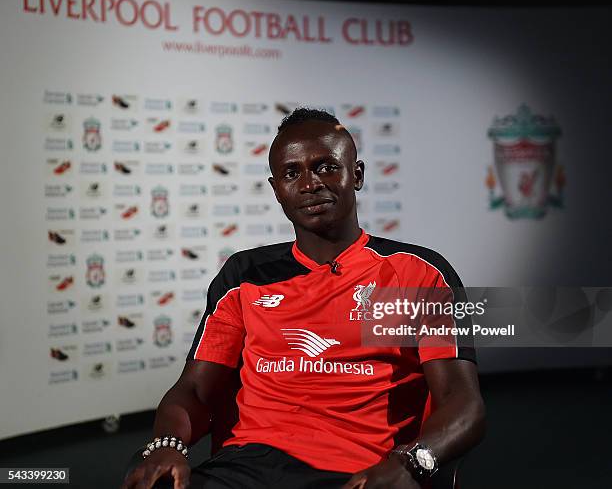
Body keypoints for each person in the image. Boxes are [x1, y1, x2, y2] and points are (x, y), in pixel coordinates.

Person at [122, 108, 486, 489]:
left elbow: (462, 402)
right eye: (292, 173)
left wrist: (411, 462)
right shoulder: (243, 274)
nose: (310, 183)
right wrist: (166, 445)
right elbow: (194, 390)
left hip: (358, 473)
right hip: (243, 469)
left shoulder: (419, 272)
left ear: (356, 175)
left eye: (326, 167)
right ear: (276, 187)